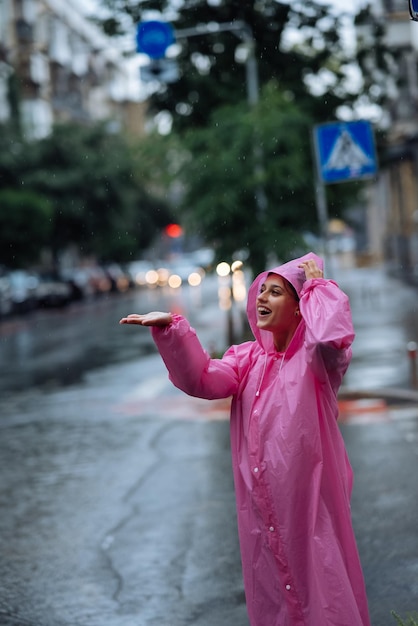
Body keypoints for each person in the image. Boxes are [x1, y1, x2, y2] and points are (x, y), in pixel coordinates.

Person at [119, 252, 371, 626]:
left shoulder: (315, 363)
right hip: (262, 516)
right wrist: (172, 330)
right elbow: (202, 378)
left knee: (323, 596)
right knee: (275, 601)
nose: (262, 299)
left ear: (301, 309)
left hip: (308, 511)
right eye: (261, 292)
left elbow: (332, 338)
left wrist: (319, 287)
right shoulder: (247, 359)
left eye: (276, 292)